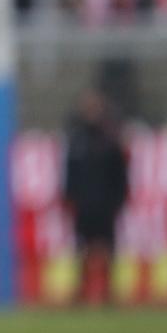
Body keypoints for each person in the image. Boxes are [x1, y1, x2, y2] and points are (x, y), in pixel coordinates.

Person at [63, 89, 129, 306]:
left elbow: (120, 175)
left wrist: (118, 200)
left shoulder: (111, 140)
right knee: (82, 248)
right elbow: (69, 174)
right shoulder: (77, 140)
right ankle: (82, 291)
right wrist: (70, 197)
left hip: (105, 204)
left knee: (107, 247)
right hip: (83, 204)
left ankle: (108, 291)